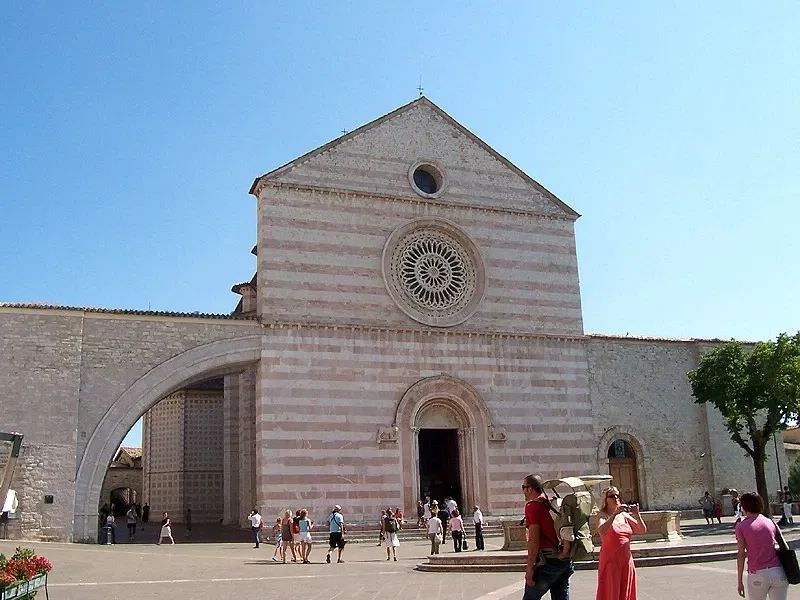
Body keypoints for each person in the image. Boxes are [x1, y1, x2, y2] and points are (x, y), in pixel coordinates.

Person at [521, 474, 574, 600]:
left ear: (530, 489)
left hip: (547, 562)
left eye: (523, 487)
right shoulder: (553, 502)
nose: (522, 490)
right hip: (564, 560)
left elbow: (534, 541)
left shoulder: (533, 506)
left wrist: (529, 569)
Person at [595, 486, 647, 600]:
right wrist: (614, 514)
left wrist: (637, 514)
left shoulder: (624, 515)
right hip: (611, 561)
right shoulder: (602, 515)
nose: (616, 498)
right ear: (605, 499)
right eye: (612, 496)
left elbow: (642, 530)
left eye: (618, 495)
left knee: (626, 592)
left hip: (626, 560)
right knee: (612, 591)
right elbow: (602, 530)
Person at [736, 491, 789, 600]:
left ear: (744, 507)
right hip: (778, 571)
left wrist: (740, 581)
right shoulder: (770, 522)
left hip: (757, 573)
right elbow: (785, 546)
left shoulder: (741, 526)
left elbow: (741, 554)